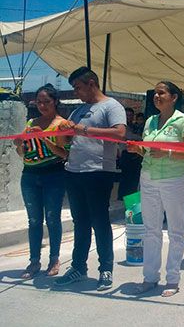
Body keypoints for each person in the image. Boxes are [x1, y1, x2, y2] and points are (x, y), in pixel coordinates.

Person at [55, 67, 126, 291]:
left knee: (100, 222)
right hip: (74, 171)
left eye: (78, 87)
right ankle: (78, 267)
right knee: (80, 223)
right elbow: (69, 135)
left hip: (98, 172)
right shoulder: (78, 110)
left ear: (92, 83)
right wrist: (64, 131)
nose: (76, 92)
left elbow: (120, 133)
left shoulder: (111, 106)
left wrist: (81, 129)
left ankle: (105, 268)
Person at [127, 81, 184, 297]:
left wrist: (168, 153)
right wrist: (138, 150)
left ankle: (173, 279)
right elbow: (151, 152)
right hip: (148, 178)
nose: (157, 96)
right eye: (155, 93)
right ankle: (150, 277)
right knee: (151, 230)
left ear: (174, 97)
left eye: (162, 93)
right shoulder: (150, 121)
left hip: (174, 179)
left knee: (176, 231)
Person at [15, 84, 68, 279]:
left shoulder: (61, 124)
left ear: (55, 102)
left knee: (53, 218)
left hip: (53, 175)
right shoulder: (30, 123)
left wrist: (44, 138)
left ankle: (54, 259)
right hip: (29, 175)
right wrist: (20, 145)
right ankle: (34, 261)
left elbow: (64, 154)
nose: (42, 106)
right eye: (39, 102)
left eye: (46, 102)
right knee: (34, 220)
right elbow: (22, 153)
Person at [117, 107, 142, 201]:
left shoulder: (135, 126)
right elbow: (128, 136)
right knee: (125, 178)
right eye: (127, 115)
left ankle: (132, 199)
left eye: (131, 115)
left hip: (136, 155)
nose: (129, 117)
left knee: (134, 179)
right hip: (126, 154)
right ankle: (122, 199)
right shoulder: (122, 126)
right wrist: (140, 139)